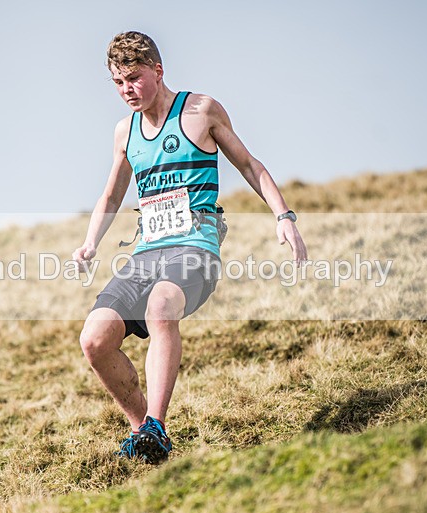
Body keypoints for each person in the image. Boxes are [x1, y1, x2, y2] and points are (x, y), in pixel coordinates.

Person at [72, 31, 307, 464]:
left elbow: (251, 166)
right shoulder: (125, 131)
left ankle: (157, 426)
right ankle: (143, 429)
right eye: (118, 82)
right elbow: (110, 196)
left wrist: (284, 217)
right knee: (94, 339)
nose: (127, 90)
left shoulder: (201, 111)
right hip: (146, 253)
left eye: (134, 78)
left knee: (161, 307)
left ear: (158, 71)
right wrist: (89, 244)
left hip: (195, 247)